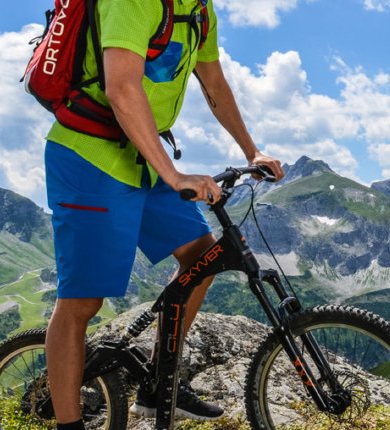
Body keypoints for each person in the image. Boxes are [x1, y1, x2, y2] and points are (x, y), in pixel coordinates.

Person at [41, 0, 284, 428]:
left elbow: (214, 82)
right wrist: (172, 174)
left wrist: (253, 149)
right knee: (82, 301)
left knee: (203, 256)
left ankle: (157, 386)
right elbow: (120, 87)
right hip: (90, 156)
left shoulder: (199, 9)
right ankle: (69, 424)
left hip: (144, 155)